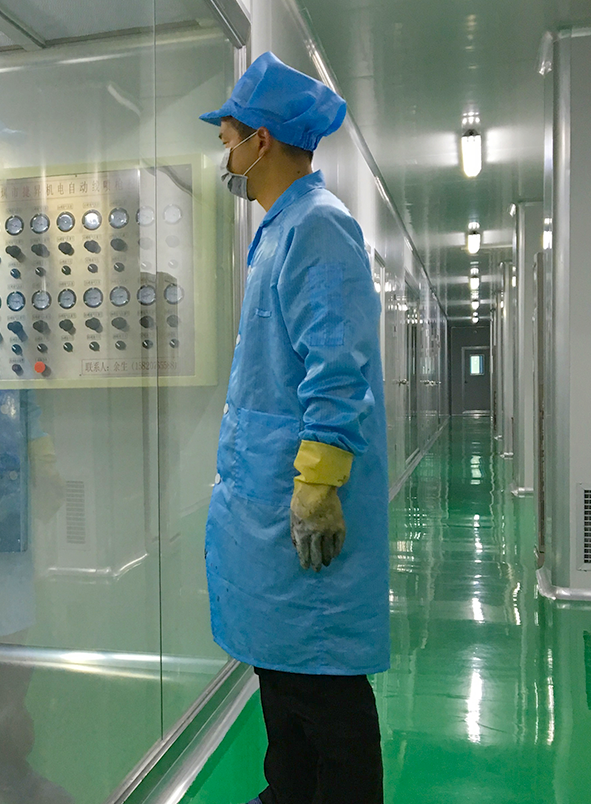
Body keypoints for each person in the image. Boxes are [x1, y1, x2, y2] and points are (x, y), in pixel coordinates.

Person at [199, 52, 390, 804]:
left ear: (263, 140)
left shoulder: (318, 227)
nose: (225, 156)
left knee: (323, 690)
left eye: (229, 139)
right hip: (265, 505)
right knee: (284, 679)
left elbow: (337, 367)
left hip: (299, 506)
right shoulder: (282, 229)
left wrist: (318, 483)